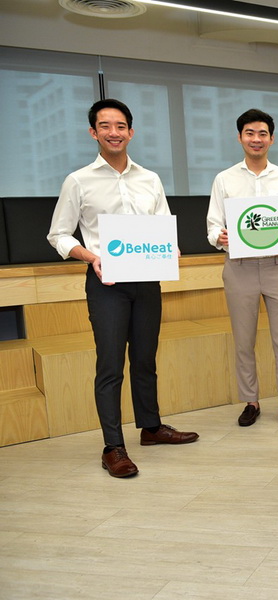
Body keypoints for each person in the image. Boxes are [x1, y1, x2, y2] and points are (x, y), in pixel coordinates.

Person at [47, 99, 198, 478]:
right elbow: (58, 234)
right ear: (93, 132)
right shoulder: (78, 180)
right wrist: (90, 256)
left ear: (131, 132)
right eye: (105, 126)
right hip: (107, 283)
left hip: (147, 280)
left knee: (145, 359)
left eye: (120, 126)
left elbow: (162, 225)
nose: (113, 132)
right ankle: (113, 446)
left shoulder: (150, 179)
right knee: (110, 364)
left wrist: (171, 247)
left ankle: (151, 427)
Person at [207, 108, 278, 427]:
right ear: (240, 137)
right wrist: (220, 236)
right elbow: (212, 226)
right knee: (243, 340)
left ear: (271, 139)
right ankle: (250, 401)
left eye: (262, 133)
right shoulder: (224, 179)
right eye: (249, 133)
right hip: (239, 268)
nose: (256, 139)